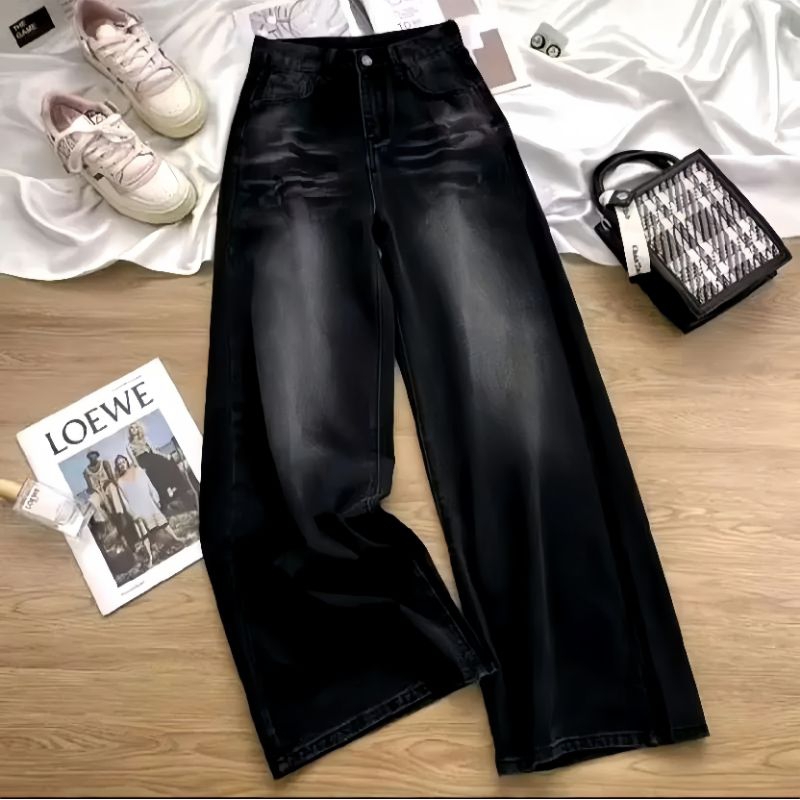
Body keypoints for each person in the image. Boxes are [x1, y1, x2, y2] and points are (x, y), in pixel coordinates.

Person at [114, 454, 185, 567]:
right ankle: (150, 557)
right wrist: (133, 513)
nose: (122, 465)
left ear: (127, 462)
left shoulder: (138, 471)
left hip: (148, 503)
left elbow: (149, 484)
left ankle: (176, 538)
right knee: (144, 535)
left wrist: (155, 497)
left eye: (123, 462)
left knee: (163, 523)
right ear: (118, 467)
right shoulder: (120, 482)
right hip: (137, 510)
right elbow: (124, 501)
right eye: (119, 464)